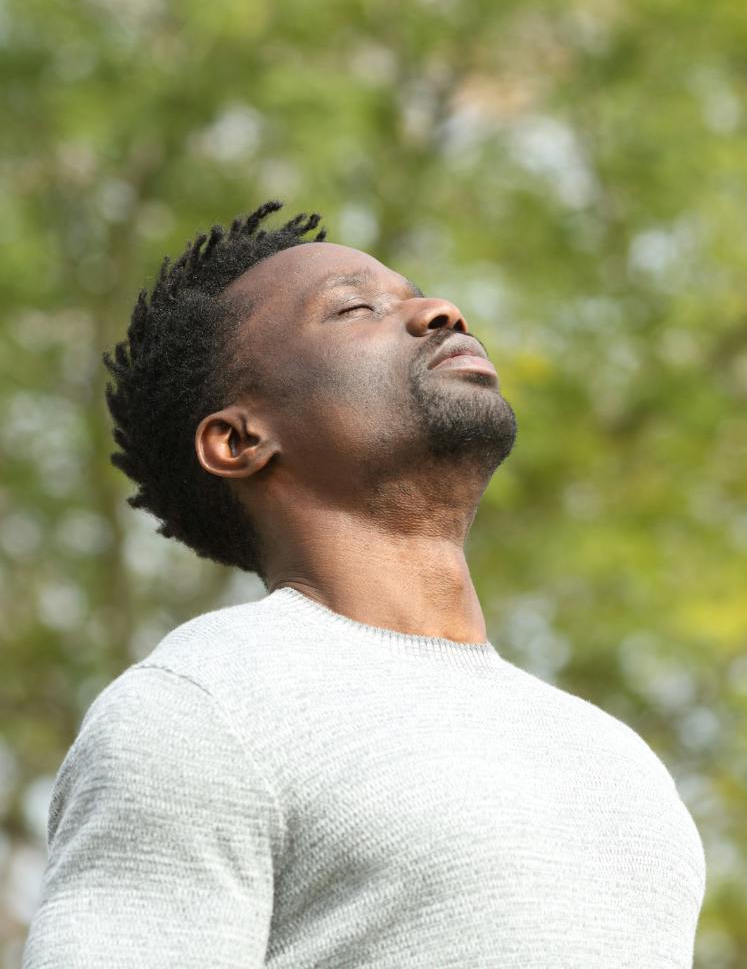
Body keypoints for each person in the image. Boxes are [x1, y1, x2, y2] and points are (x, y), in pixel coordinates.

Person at [23, 202, 707, 968]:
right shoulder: (204, 706)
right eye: (355, 309)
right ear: (240, 439)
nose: (439, 312)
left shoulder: (613, 756)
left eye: (421, 294)